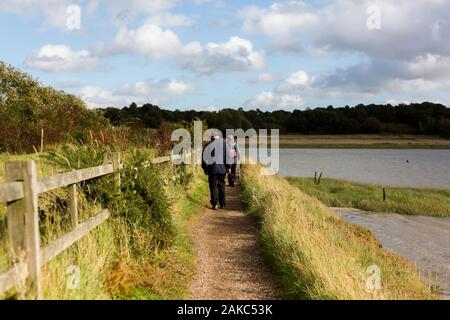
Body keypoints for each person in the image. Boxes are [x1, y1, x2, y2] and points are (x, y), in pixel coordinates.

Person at [202, 135, 231, 210]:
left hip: (212, 169)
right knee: (221, 186)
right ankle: (223, 203)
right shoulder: (225, 144)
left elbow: (204, 158)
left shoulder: (208, 145)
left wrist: (205, 168)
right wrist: (228, 167)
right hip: (222, 169)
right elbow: (228, 157)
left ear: (212, 138)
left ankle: (214, 204)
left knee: (213, 186)